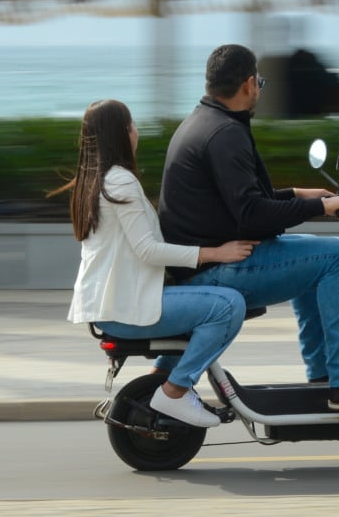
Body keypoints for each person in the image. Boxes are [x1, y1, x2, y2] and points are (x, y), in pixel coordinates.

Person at [157, 44, 339, 411]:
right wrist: (321, 206)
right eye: (259, 81)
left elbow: (235, 201)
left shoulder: (202, 123)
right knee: (337, 255)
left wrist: (296, 194)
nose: (259, 89)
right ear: (247, 84)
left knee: (312, 254)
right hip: (218, 272)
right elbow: (252, 214)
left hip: (205, 265)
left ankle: (324, 372)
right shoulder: (225, 134)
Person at [58, 99, 257, 428]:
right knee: (227, 305)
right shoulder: (120, 182)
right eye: (132, 124)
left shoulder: (93, 182)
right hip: (125, 309)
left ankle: (159, 383)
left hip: (112, 307)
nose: (137, 131)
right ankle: (175, 391)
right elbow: (148, 250)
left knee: (204, 300)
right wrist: (215, 253)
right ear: (121, 134)